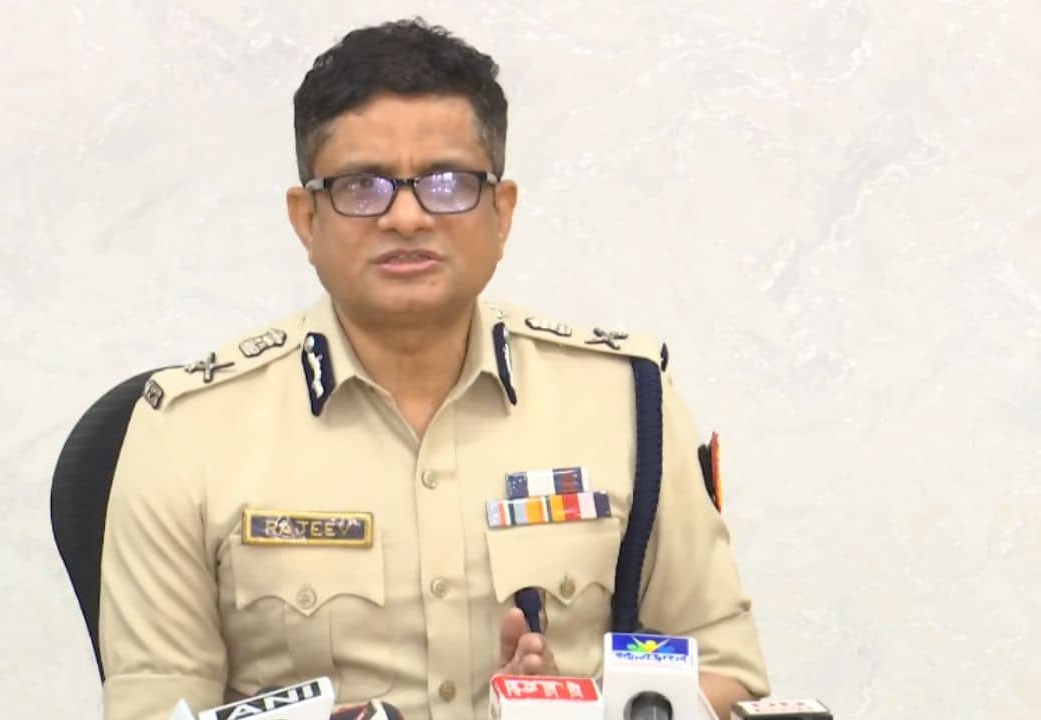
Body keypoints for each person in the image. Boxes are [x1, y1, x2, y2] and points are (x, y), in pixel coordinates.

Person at [97, 18, 769, 720]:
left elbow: (731, 674)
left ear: (502, 213)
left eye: (448, 183)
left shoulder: (626, 402)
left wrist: (578, 709)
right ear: (306, 219)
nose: (408, 217)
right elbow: (153, 709)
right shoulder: (189, 432)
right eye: (363, 186)